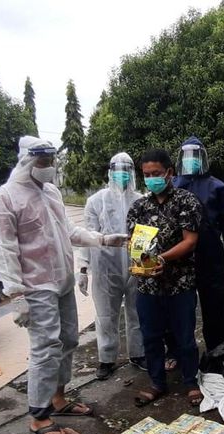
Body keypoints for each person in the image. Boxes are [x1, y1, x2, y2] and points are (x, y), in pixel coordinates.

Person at [0, 136, 127, 434]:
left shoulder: (50, 192)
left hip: (61, 281)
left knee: (68, 340)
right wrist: (16, 295)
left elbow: (68, 231)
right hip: (35, 287)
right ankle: (38, 415)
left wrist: (102, 239)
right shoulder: (6, 198)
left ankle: (59, 398)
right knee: (45, 347)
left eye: (51, 162)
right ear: (26, 162)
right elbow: (3, 249)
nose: (49, 168)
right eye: (43, 162)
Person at [127, 148, 204, 408]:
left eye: (156, 173)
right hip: (148, 285)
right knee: (151, 335)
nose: (151, 179)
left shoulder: (186, 201)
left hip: (180, 283)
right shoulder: (139, 207)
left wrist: (161, 259)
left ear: (169, 173)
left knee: (184, 335)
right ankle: (157, 382)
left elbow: (190, 241)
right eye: (146, 175)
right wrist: (140, 262)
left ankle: (190, 381)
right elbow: (133, 242)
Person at [77, 152, 146, 380]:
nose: (123, 174)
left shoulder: (141, 200)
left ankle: (138, 353)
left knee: (137, 312)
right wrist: (83, 268)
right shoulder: (96, 201)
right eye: (118, 170)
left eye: (127, 170)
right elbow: (86, 236)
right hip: (105, 265)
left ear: (132, 173)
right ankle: (107, 358)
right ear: (110, 172)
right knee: (106, 315)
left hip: (135, 266)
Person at [172, 136, 224, 354]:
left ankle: (218, 351)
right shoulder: (173, 185)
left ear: (203, 157)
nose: (191, 160)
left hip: (210, 255)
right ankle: (179, 352)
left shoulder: (218, 187)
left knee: (215, 307)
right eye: (187, 155)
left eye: (196, 155)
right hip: (180, 257)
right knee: (180, 308)